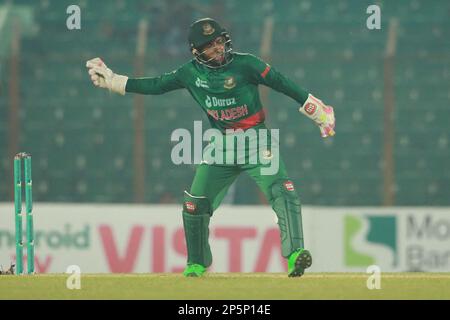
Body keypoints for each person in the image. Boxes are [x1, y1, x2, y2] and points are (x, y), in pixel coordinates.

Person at [86, 18, 335, 277]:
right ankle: (196, 264)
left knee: (283, 193)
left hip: (256, 141)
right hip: (221, 145)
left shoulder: (247, 64)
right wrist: (116, 82)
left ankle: (295, 256)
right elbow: (157, 85)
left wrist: (317, 109)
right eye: (209, 45)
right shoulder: (189, 73)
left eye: (219, 41)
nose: (218, 48)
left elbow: (283, 83)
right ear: (196, 52)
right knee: (194, 206)